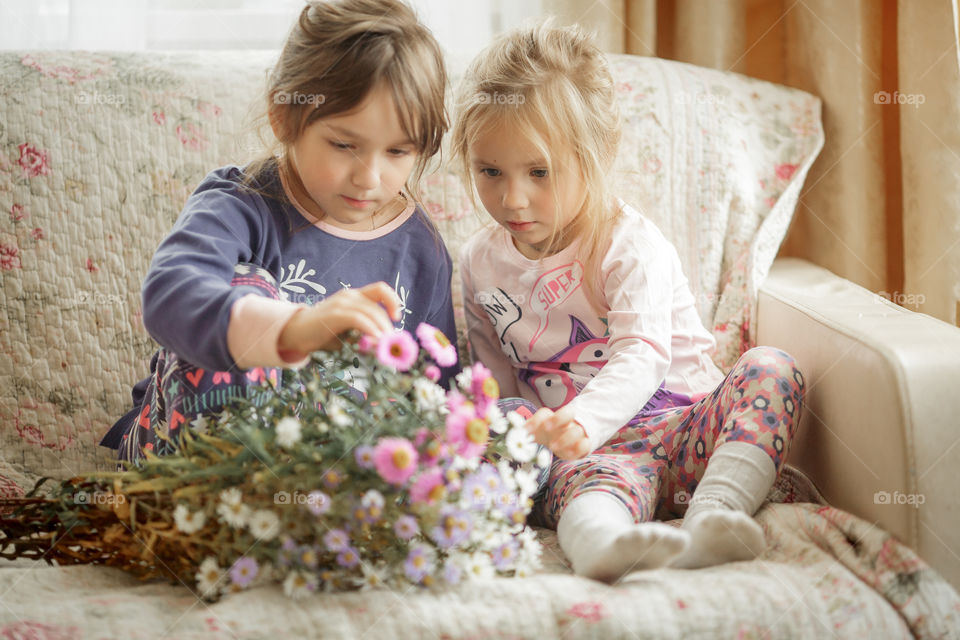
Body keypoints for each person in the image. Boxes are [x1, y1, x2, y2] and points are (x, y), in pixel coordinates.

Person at [453, 21, 805, 582]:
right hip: (589, 460)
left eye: (539, 172)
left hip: (682, 428)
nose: (512, 198)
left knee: (773, 369)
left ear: (595, 155)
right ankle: (602, 544)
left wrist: (582, 419)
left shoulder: (626, 242)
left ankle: (714, 517)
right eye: (489, 171)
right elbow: (495, 380)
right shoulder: (478, 261)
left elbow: (643, 354)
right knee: (544, 455)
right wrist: (522, 438)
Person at [99, 0, 456, 465]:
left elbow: (436, 389)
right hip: (183, 454)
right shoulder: (240, 205)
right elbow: (169, 297)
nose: (369, 177)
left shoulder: (422, 248)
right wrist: (295, 329)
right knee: (247, 283)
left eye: (398, 152)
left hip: (317, 474)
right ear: (284, 117)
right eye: (344, 144)